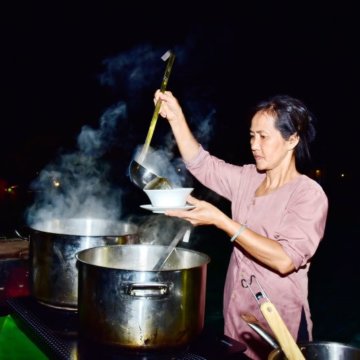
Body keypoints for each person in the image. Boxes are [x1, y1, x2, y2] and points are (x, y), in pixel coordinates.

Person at [154, 90, 328, 359]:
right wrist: (175, 117)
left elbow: (284, 259)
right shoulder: (248, 178)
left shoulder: (307, 194)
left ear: (292, 139)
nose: (254, 145)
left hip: (280, 327)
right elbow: (202, 164)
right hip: (237, 322)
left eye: (263, 137)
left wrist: (221, 221)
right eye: (251, 136)